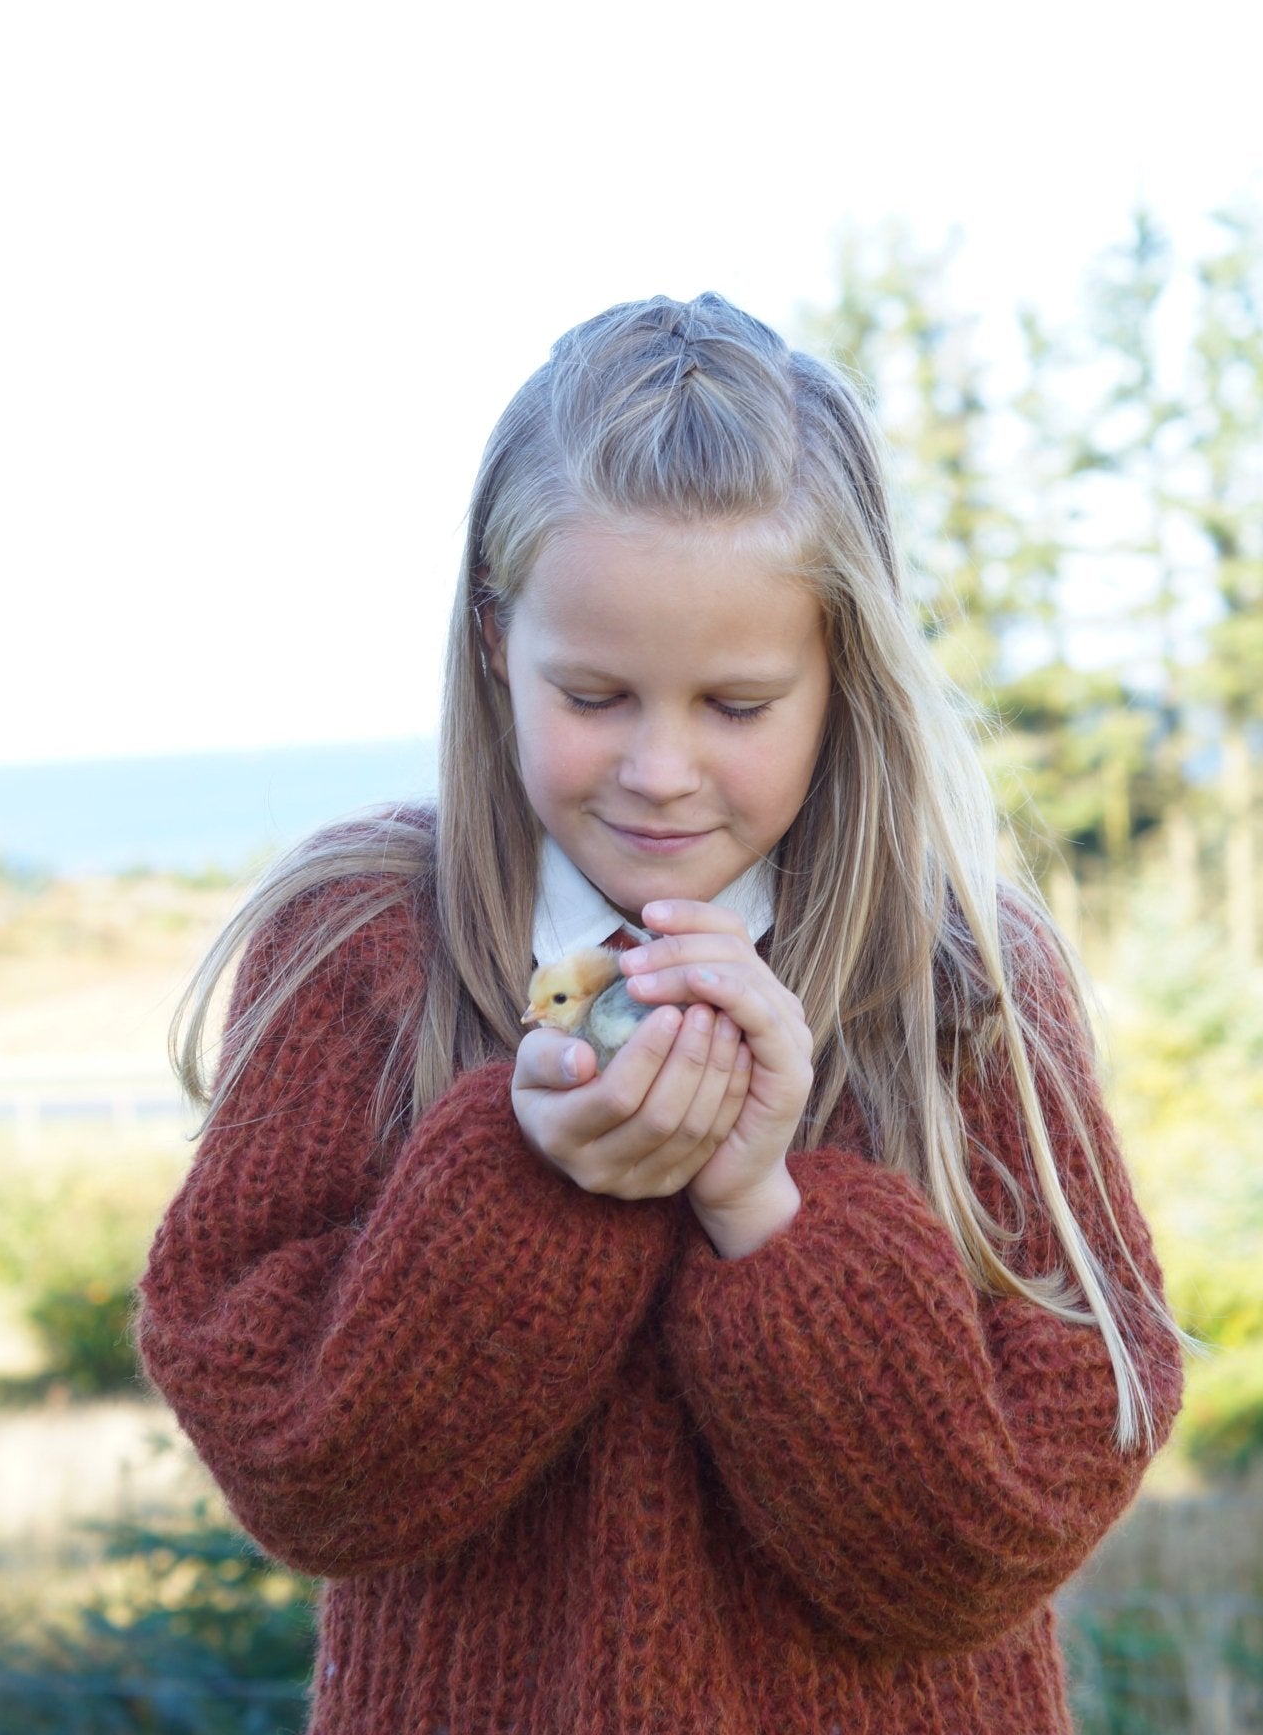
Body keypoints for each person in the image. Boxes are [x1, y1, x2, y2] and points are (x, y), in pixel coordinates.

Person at [137, 293, 1184, 1735]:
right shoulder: (362, 946)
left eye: (738, 705)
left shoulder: (958, 983)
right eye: (596, 692)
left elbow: (983, 1545)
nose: (659, 768)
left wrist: (763, 1210)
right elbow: (302, 1470)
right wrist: (531, 1186)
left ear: (840, 677)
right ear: (497, 641)